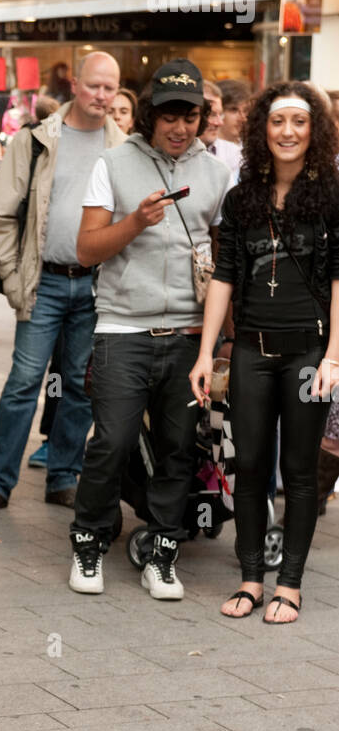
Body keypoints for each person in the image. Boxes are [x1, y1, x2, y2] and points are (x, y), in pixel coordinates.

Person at [68, 59, 231, 599]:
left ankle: (163, 550)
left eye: (190, 116)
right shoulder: (112, 164)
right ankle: (88, 540)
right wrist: (135, 221)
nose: (180, 128)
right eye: (168, 116)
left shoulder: (215, 172)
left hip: (187, 335)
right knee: (112, 441)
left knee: (179, 447)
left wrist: (221, 340)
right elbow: (86, 249)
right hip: (121, 329)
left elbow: (223, 263)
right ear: (148, 116)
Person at [190, 82, 339, 624]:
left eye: (300, 122)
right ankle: (251, 577)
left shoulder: (331, 195)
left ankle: (290, 584)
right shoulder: (242, 197)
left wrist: (334, 357)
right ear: (262, 130)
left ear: (314, 131)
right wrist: (207, 353)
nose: (288, 132)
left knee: (298, 471)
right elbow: (225, 276)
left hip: (308, 354)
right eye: (278, 122)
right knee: (249, 465)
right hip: (250, 350)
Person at [0, 51, 124, 514]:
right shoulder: (36, 141)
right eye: (94, 86)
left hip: (94, 287)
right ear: (75, 84)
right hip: (45, 283)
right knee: (23, 382)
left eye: (110, 89)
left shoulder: (123, 147)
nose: (101, 96)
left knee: (77, 386)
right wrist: (17, 283)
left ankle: (63, 476)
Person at [202, 79, 242, 175]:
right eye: (212, 114)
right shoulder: (175, 153)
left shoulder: (235, 154)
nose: (219, 122)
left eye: (221, 114)